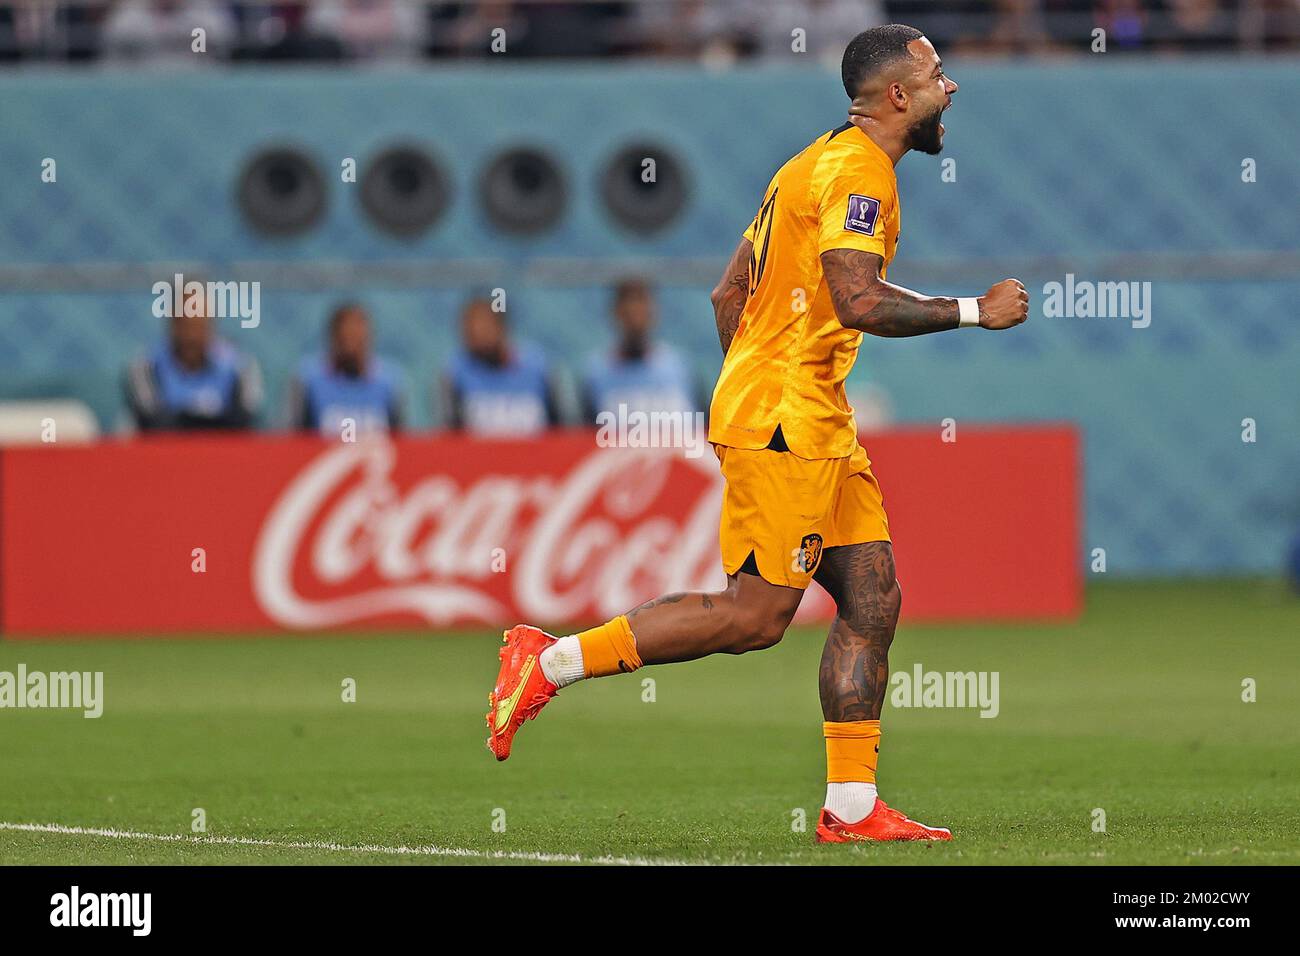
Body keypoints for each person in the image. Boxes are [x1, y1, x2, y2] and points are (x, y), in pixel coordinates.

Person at [484, 24, 1028, 842]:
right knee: (755, 617)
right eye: (938, 75)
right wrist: (973, 311)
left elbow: (725, 293)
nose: (950, 89)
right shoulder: (858, 172)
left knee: (872, 598)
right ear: (896, 96)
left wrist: (756, 377)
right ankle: (548, 661)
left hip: (809, 413)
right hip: (788, 419)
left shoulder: (804, 165)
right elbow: (857, 299)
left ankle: (850, 808)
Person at [125, 289, 262, 431]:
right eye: (186, 325)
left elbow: (244, 420)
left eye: (200, 325)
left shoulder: (239, 366)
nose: (192, 336)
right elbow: (152, 421)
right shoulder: (147, 367)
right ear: (173, 323)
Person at [581, 278, 699, 422]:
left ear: (653, 313)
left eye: (641, 311)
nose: (635, 321)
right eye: (629, 313)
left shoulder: (680, 369)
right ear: (616, 314)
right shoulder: (597, 374)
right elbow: (585, 434)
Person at [442, 296, 562, 435]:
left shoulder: (538, 368)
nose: (477, 335)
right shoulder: (457, 372)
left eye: (484, 327)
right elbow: (450, 436)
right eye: (469, 331)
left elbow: (559, 430)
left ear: (501, 326)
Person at [286, 303, 403, 436]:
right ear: (334, 338)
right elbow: (291, 437)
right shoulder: (309, 380)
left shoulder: (388, 383)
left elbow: (402, 439)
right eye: (345, 338)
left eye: (357, 339)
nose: (352, 348)